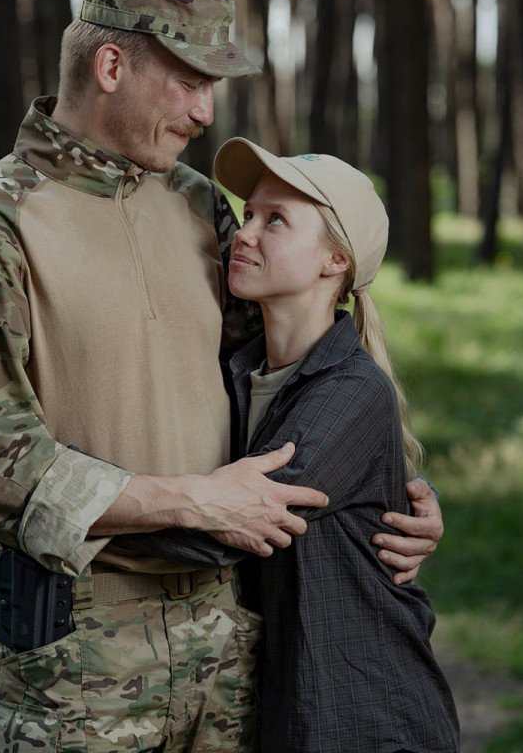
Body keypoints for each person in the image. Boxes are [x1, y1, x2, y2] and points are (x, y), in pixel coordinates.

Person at [0, 0, 444, 753]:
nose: (204, 112)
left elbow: (291, 380)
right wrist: (193, 502)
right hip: (78, 662)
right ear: (111, 66)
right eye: (191, 81)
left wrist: (388, 490)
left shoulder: (202, 207)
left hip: (236, 647)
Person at [133, 140, 459, 751]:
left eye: (275, 220)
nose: (244, 234)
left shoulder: (352, 390)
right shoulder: (240, 371)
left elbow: (228, 527)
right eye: (249, 214)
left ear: (335, 259)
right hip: (296, 705)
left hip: (366, 716)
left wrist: (75, 503)